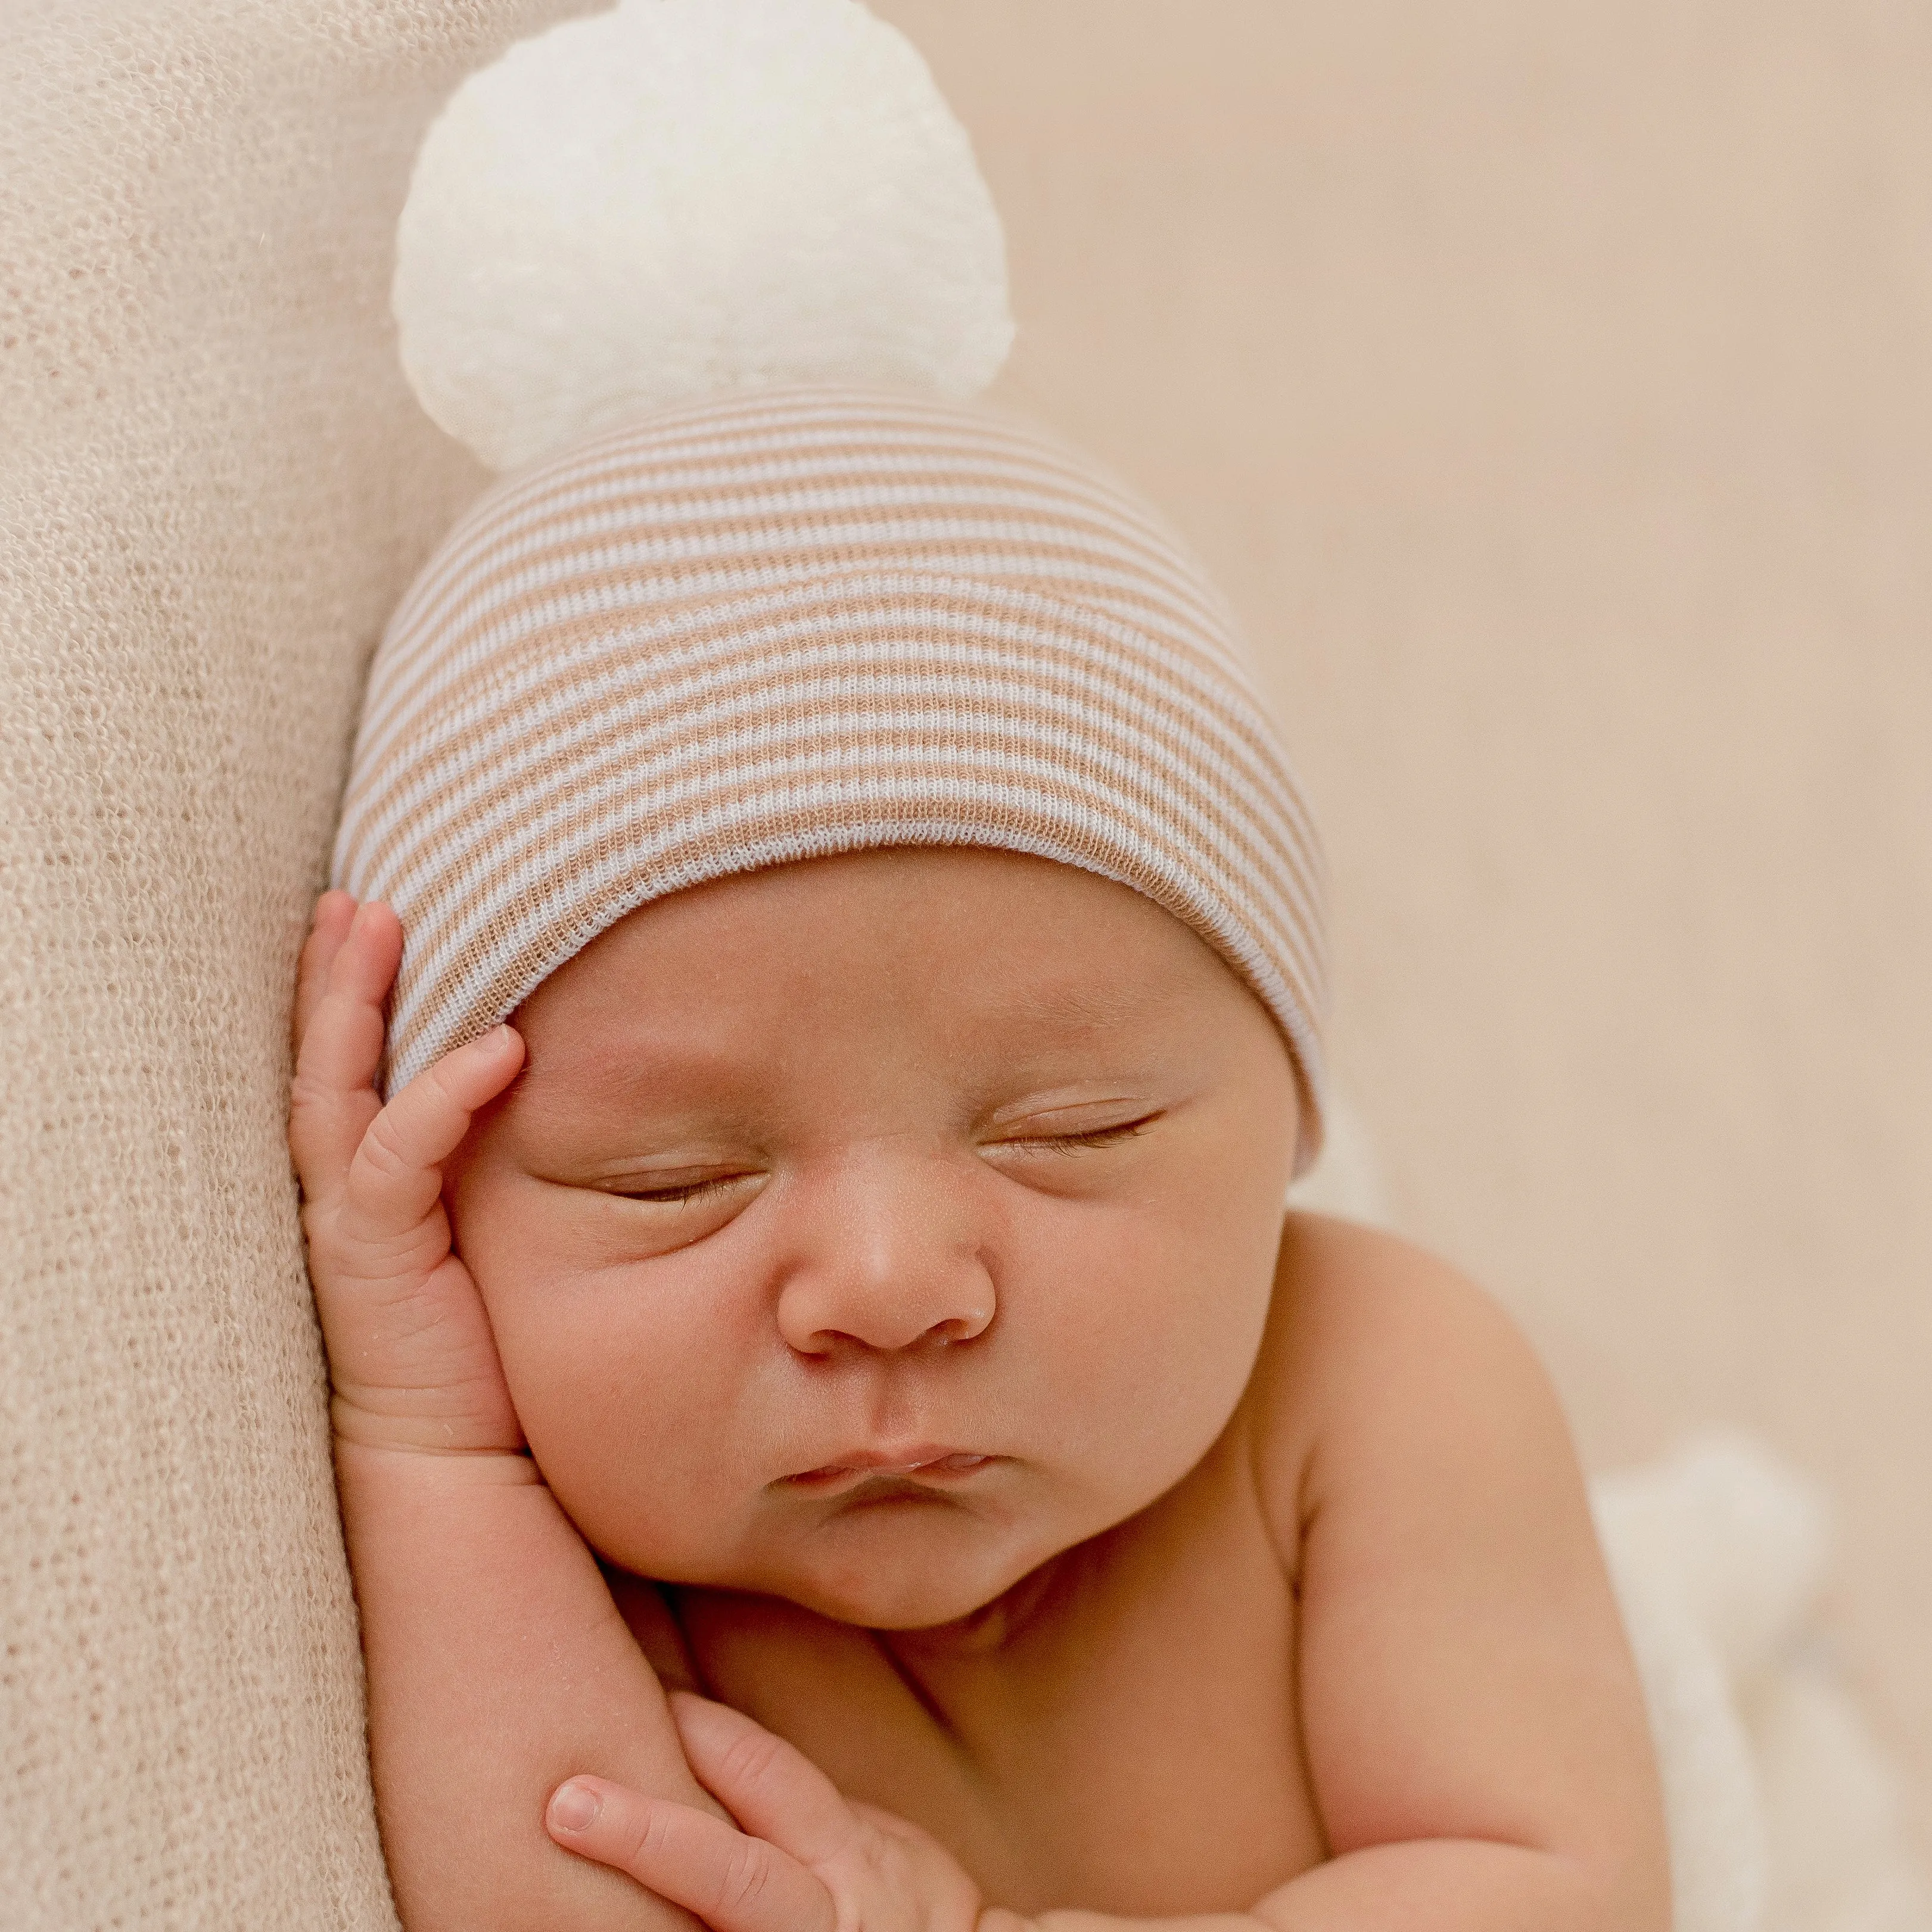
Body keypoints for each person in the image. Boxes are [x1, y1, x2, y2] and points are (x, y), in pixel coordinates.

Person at [288, 7, 1670, 1930]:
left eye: (1070, 1128)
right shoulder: (596, 1510)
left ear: (1286, 1111)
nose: (888, 1290)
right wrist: (427, 1439)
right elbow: (556, 1892)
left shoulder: (1376, 1386)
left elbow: (1558, 1886)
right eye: (670, 1178)